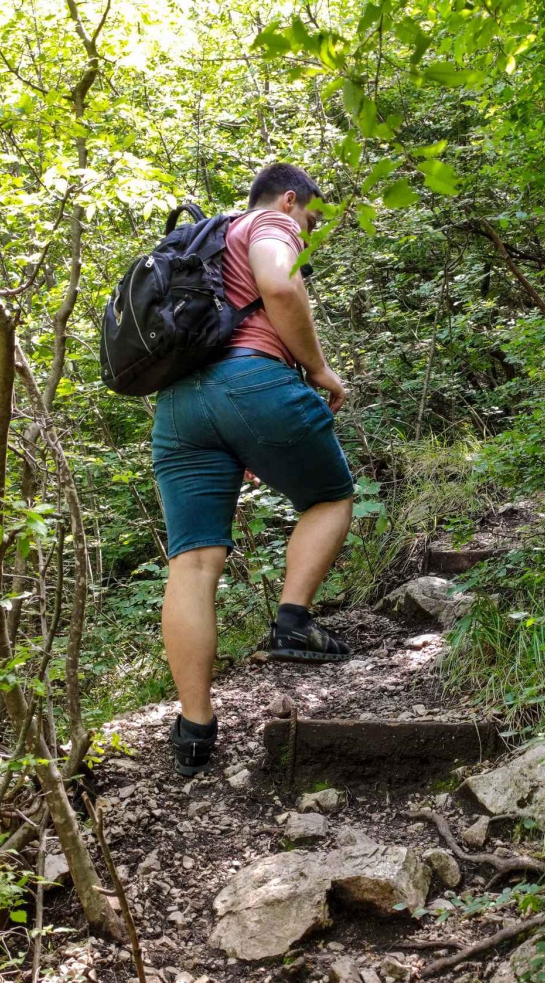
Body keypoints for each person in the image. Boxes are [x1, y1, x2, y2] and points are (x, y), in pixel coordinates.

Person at [151, 163, 356, 776]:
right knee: (330, 497)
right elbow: (281, 287)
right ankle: (292, 621)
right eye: (312, 220)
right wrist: (319, 368)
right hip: (254, 378)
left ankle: (194, 728)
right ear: (292, 200)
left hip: (180, 407)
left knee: (193, 561)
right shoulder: (269, 221)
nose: (310, 232)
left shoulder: (205, 246)